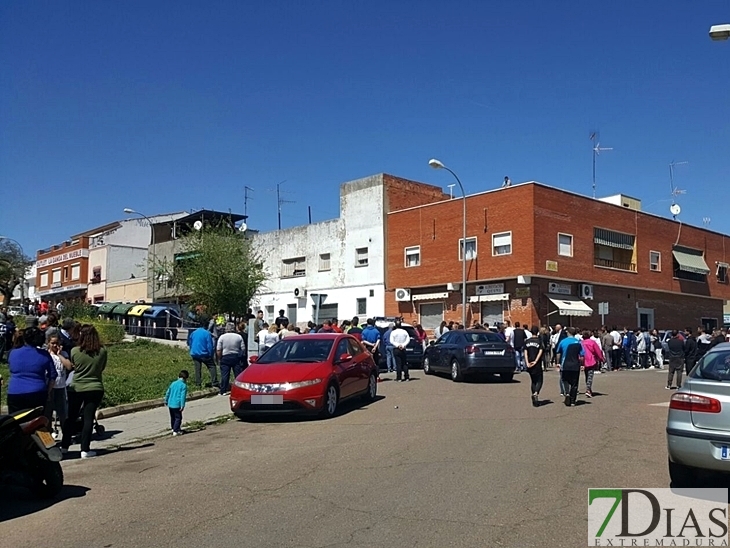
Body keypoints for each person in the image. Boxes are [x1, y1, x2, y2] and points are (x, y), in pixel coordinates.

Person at [62, 325, 107, 458]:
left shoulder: (75, 351)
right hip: (95, 386)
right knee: (88, 419)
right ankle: (85, 449)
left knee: (71, 417)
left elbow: (73, 367)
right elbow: (101, 368)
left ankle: (64, 447)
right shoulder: (102, 351)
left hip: (76, 387)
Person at [6, 327, 57, 413]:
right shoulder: (44, 355)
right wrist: (48, 392)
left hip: (15, 391)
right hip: (37, 392)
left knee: (15, 421)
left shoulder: (13, 353)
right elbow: (53, 375)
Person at [45, 334, 73, 433]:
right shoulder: (46, 355)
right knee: (48, 412)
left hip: (60, 387)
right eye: (52, 343)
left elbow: (69, 366)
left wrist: (59, 354)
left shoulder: (63, 354)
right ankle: (48, 431)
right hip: (50, 387)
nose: (55, 345)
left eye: (57, 343)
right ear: (48, 343)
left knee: (63, 413)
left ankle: (65, 432)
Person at [556, 327, 585, 407]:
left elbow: (558, 353)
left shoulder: (563, 341)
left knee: (564, 379)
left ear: (568, 332)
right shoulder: (578, 342)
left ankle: (567, 393)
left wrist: (558, 363)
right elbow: (582, 355)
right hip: (575, 364)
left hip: (565, 364)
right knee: (574, 383)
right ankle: (573, 400)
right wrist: (582, 364)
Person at [217, 323, 245, 396]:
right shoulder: (238, 337)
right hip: (236, 356)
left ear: (226, 328)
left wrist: (219, 358)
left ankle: (223, 390)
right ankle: (239, 390)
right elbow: (243, 348)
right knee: (237, 375)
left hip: (225, 356)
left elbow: (219, 349)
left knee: (225, 375)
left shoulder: (222, 337)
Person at [523, 326, 544, 407]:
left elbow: (525, 352)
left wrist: (527, 362)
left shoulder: (527, 341)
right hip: (537, 364)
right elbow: (540, 351)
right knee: (539, 380)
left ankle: (533, 394)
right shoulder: (539, 341)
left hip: (529, 363)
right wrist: (536, 361)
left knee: (533, 380)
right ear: (537, 332)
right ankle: (536, 393)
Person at [580, 330, 604, 398]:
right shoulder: (592, 342)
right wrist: (601, 358)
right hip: (591, 360)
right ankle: (588, 389)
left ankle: (589, 389)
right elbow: (598, 351)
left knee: (587, 375)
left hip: (583, 360)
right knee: (590, 376)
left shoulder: (581, 343)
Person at [165, 370, 189, 436]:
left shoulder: (173, 383)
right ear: (186, 379)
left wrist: (166, 400)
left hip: (170, 403)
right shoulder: (183, 386)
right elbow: (182, 396)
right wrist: (182, 405)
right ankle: (176, 430)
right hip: (177, 404)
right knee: (178, 418)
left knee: (172, 417)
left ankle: (173, 428)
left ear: (178, 377)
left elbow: (168, 392)